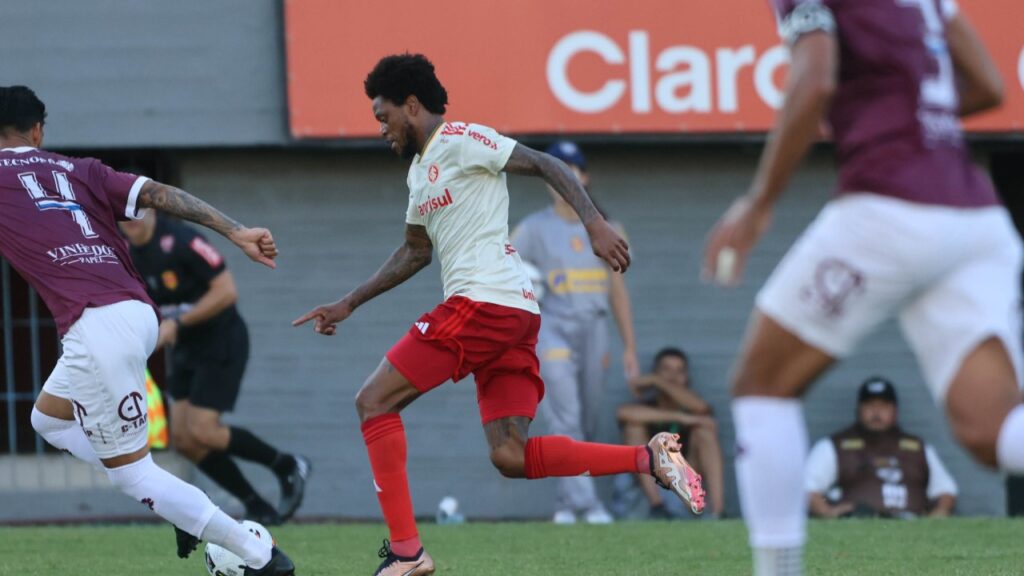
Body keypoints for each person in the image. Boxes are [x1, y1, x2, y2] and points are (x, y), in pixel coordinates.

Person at [293, 54, 705, 576]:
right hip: (508, 315)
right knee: (510, 456)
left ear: (411, 106)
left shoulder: (463, 138)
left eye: (383, 116)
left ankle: (406, 552)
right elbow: (415, 252)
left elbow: (545, 163)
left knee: (373, 401)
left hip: (484, 304)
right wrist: (349, 302)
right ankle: (651, 460)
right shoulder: (421, 174)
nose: (381, 129)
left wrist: (593, 225)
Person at [702, 1, 1023, 574]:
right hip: (973, 216)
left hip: (890, 207)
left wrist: (758, 203)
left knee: (761, 384)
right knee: (992, 430)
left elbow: (816, 78)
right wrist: (899, 115)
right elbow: (987, 86)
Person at [0, 86, 294, 574]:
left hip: (97, 327)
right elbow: (160, 194)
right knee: (48, 420)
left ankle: (260, 556)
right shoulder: (81, 170)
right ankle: (172, 499)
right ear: (38, 131)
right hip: (138, 314)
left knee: (135, 477)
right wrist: (237, 231)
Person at [121, 210, 312, 525]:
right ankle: (256, 505)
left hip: (220, 340)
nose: (132, 219)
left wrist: (177, 324)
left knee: (203, 430)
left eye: (138, 210)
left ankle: (287, 465)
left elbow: (226, 291)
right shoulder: (126, 254)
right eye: (123, 214)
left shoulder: (182, 240)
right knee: (183, 439)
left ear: (152, 210)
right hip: (185, 347)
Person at [510, 140, 640, 525]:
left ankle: (566, 504)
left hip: (594, 328)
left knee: (586, 417)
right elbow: (506, 272)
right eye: (557, 170)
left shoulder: (609, 228)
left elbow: (618, 290)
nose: (564, 177)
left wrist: (630, 346)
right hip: (552, 329)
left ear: (584, 177)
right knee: (565, 414)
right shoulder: (532, 229)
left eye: (573, 169)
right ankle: (587, 505)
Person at [806, 377, 957, 519]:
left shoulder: (918, 447)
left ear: (895, 410)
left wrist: (937, 516)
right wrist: (828, 513)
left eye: (884, 405)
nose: (876, 412)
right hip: (857, 528)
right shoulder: (835, 445)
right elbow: (807, 487)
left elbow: (945, 490)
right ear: (858, 409)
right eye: (870, 405)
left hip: (912, 527)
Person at [617, 347, 725, 518]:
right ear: (655, 373)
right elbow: (623, 413)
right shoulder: (647, 407)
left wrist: (659, 381)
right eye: (666, 370)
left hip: (685, 489)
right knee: (633, 428)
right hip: (647, 491)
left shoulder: (694, 407)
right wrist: (681, 417)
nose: (673, 376)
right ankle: (657, 507)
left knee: (705, 432)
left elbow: (702, 409)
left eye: (679, 371)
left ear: (687, 377)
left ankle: (718, 513)